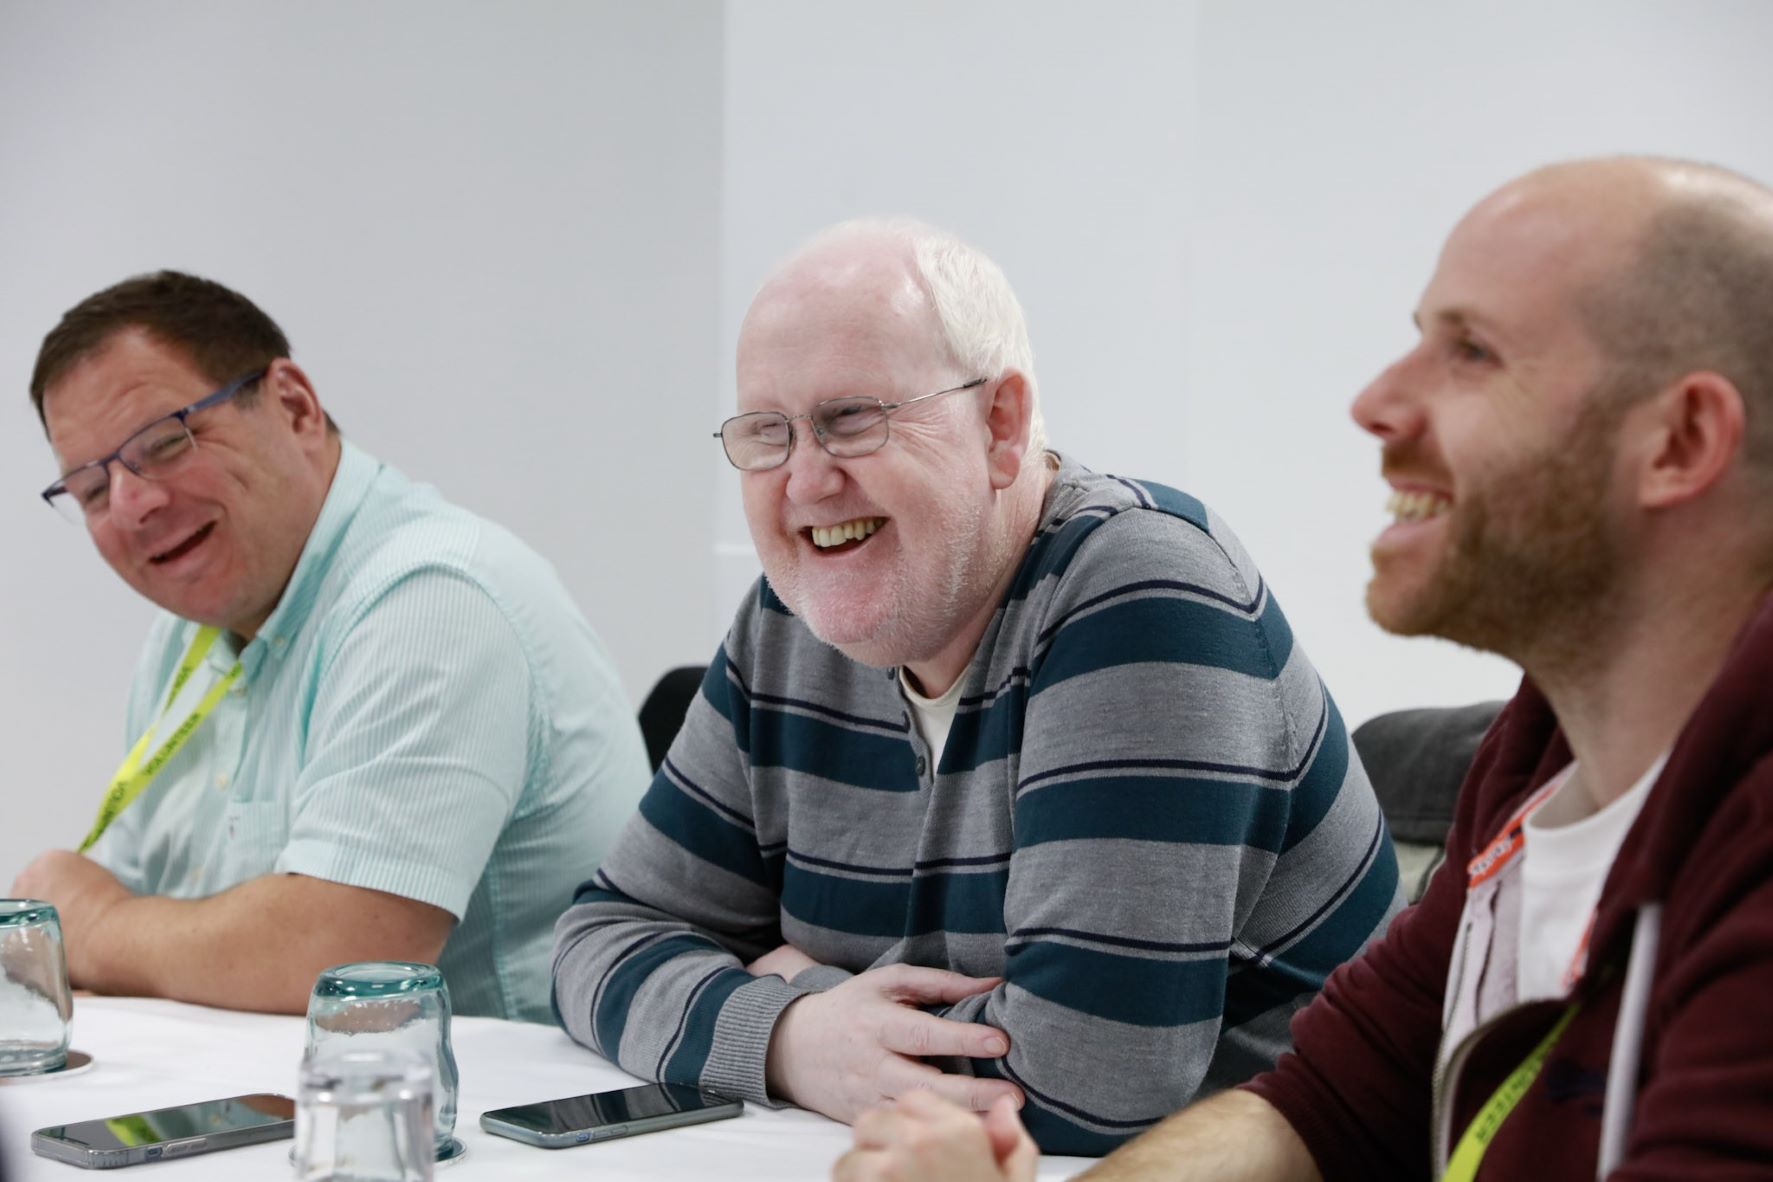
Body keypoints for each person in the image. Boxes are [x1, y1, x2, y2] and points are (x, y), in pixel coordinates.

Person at [832, 155, 1773, 1181]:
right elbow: (1322, 1107)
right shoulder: (1544, 751)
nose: (1374, 401)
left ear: (1679, 441)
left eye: (1471, 352)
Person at [551, 220, 1400, 1155]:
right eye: (767, 433)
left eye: (851, 419)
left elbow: (1082, 1092)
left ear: (1000, 425)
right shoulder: (794, 619)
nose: (805, 479)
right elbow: (598, 940)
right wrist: (792, 1037)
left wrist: (799, 984)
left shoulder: (1146, 590)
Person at [11, 271, 649, 1023]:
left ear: (293, 405)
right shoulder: (183, 643)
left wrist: (90, 925)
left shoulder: (433, 594)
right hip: (276, 1104)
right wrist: (98, 934)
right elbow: (123, 949)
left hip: (491, 1119)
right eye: (90, 490)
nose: (133, 504)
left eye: (163, 442)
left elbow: (337, 960)